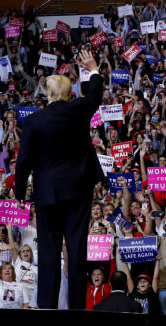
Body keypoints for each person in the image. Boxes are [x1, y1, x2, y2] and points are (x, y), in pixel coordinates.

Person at [15, 49, 105, 309]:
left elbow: (23, 161)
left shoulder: (33, 121)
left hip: (47, 194)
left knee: (49, 252)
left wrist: (20, 193)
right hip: (78, 192)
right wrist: (92, 68)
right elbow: (95, 95)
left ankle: (47, 306)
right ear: (69, 94)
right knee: (76, 251)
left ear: (47, 94)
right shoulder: (78, 110)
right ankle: (77, 308)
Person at [0, 244, 29, 309]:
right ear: (1, 273)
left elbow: (26, 303)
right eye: (4, 268)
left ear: (13, 272)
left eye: (10, 268)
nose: (7, 270)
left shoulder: (21, 286)